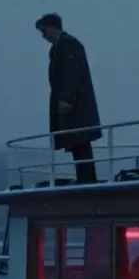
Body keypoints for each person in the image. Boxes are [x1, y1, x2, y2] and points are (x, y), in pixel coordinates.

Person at [36, 13, 102, 184]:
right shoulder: (59, 47)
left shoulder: (69, 44)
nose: (43, 36)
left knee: (80, 141)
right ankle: (84, 177)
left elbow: (73, 73)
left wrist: (66, 99)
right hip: (71, 105)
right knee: (76, 142)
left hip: (76, 106)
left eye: (44, 31)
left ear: (53, 27)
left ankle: (87, 178)